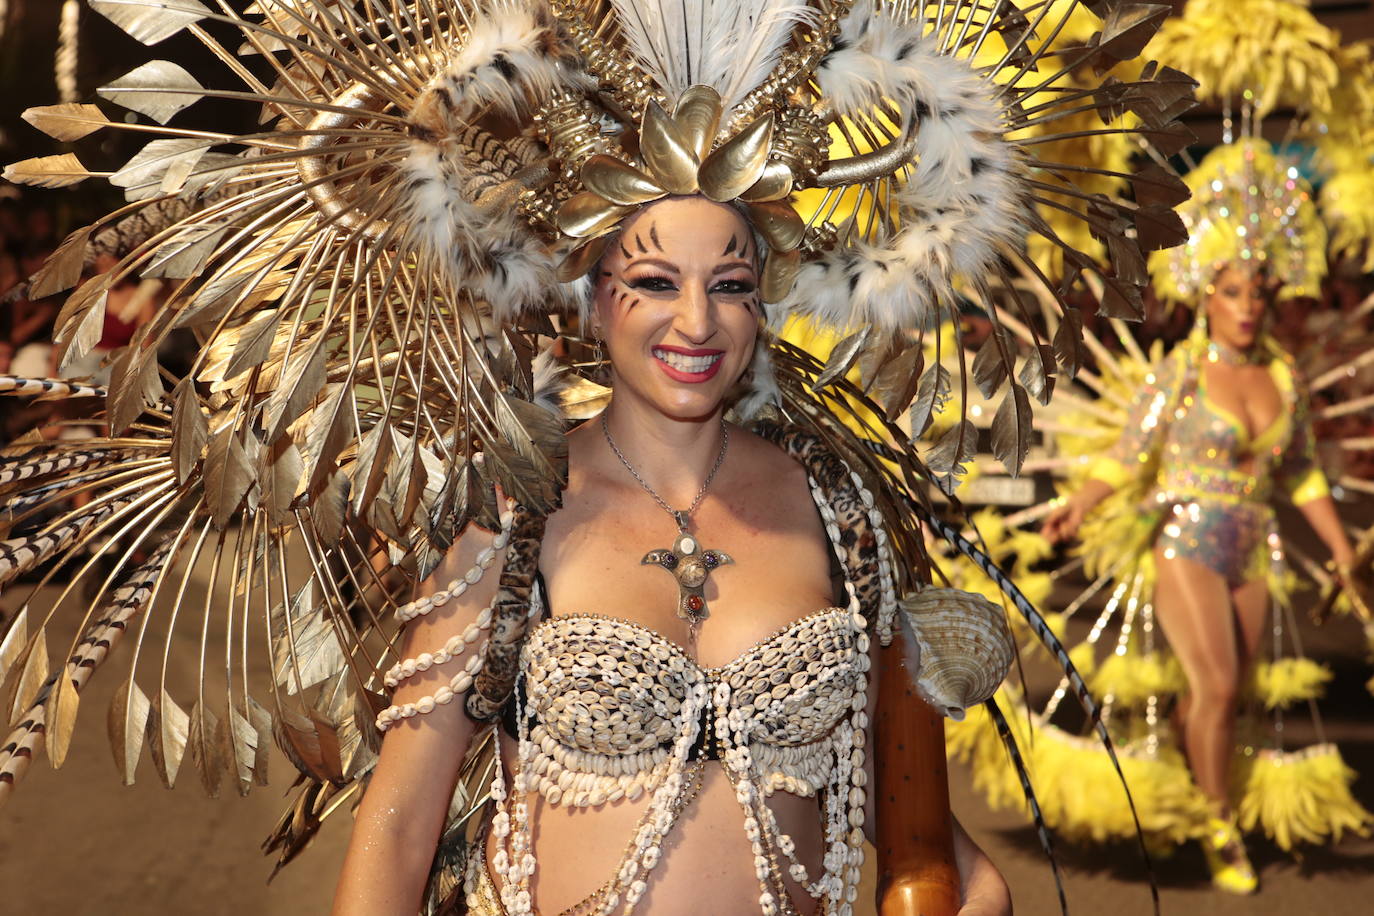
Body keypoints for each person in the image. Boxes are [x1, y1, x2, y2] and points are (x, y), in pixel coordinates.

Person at [331, 195, 1012, 916]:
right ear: (592, 298)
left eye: (729, 286)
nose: (697, 321)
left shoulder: (833, 506)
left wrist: (971, 881)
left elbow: (875, 778)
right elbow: (400, 826)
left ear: (763, 305)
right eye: (656, 283)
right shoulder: (513, 512)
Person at [1042, 159, 1360, 893]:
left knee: (1228, 689)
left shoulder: (1282, 378)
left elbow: (1302, 472)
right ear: (1206, 297)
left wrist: (1345, 553)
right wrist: (1081, 504)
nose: (1248, 307)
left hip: (1253, 542)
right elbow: (1128, 458)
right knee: (1215, 684)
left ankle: (1189, 784)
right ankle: (1221, 826)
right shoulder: (1179, 376)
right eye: (1233, 292)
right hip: (1185, 536)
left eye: (1259, 292)